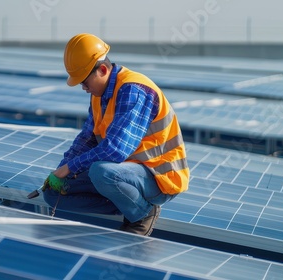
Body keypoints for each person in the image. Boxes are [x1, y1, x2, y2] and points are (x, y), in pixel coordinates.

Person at [42, 33, 189, 236]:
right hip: (124, 173)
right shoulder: (98, 95)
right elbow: (87, 139)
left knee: (101, 172)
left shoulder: (134, 90)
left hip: (158, 176)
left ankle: (144, 213)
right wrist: (59, 170)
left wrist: (70, 167)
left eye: (85, 82)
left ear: (102, 70)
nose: (84, 88)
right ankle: (127, 202)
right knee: (53, 194)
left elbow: (115, 150)